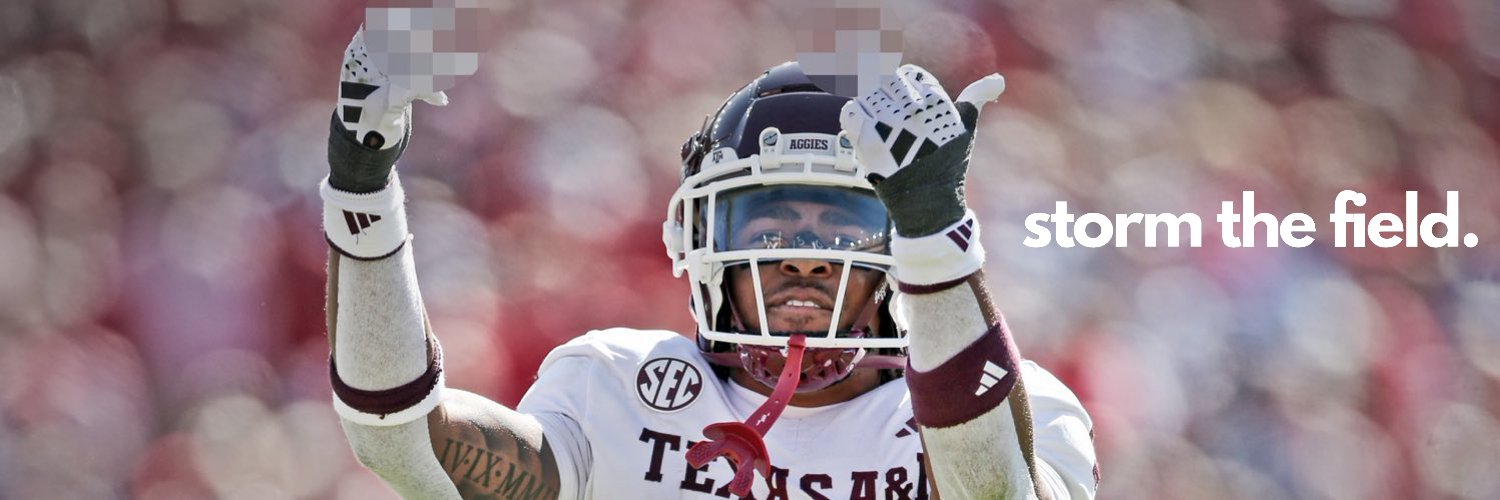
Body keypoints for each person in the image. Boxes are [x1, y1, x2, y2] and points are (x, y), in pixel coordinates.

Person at [322, 26, 1098, 499]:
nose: (805, 257)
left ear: (903, 253)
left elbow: (995, 494)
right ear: (701, 241)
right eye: (771, 220)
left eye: (843, 226)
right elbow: (403, 443)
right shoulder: (616, 387)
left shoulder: (1015, 406)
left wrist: (935, 232)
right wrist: (362, 190)